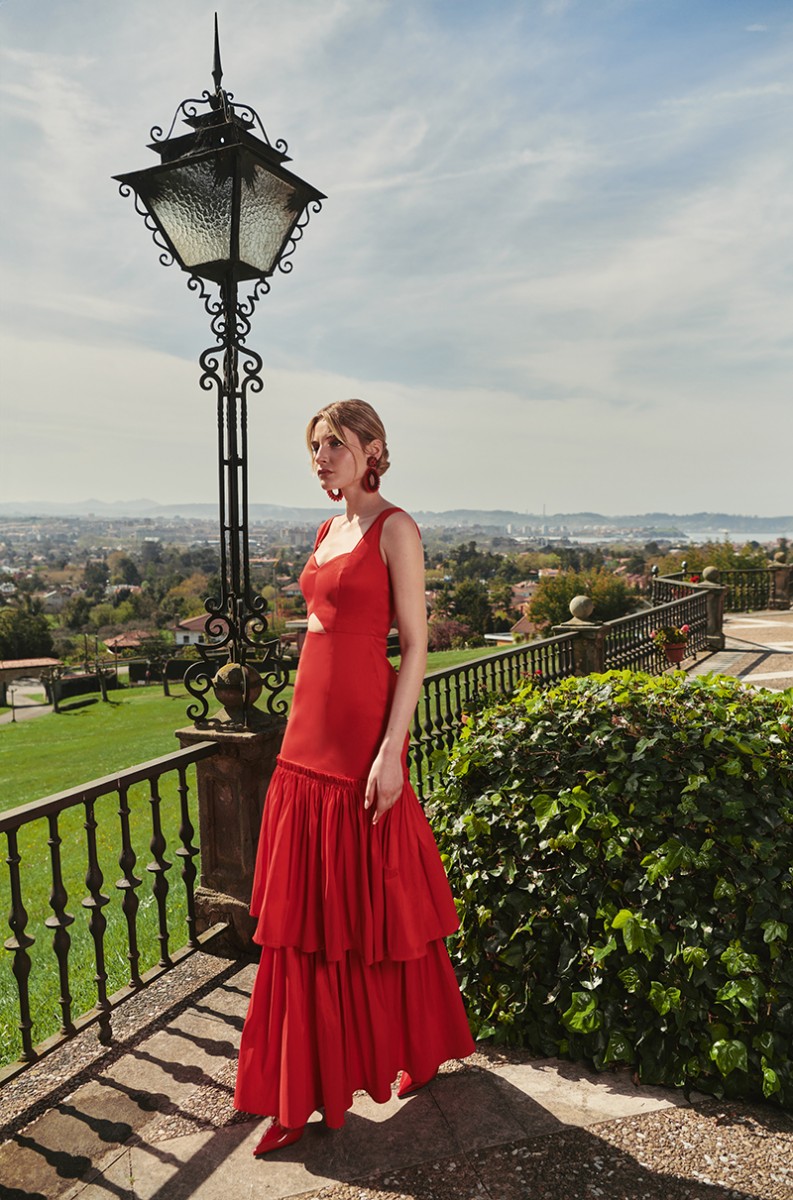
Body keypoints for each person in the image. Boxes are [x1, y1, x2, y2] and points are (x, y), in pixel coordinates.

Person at [234, 398, 474, 1156]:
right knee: (305, 922)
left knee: (379, 909)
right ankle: (299, 1091)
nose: (321, 457)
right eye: (314, 446)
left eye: (334, 444)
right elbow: (321, 632)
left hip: (361, 740)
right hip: (305, 739)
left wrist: (391, 750)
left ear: (372, 449)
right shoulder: (324, 531)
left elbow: (415, 645)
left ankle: (415, 1050)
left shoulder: (395, 528)